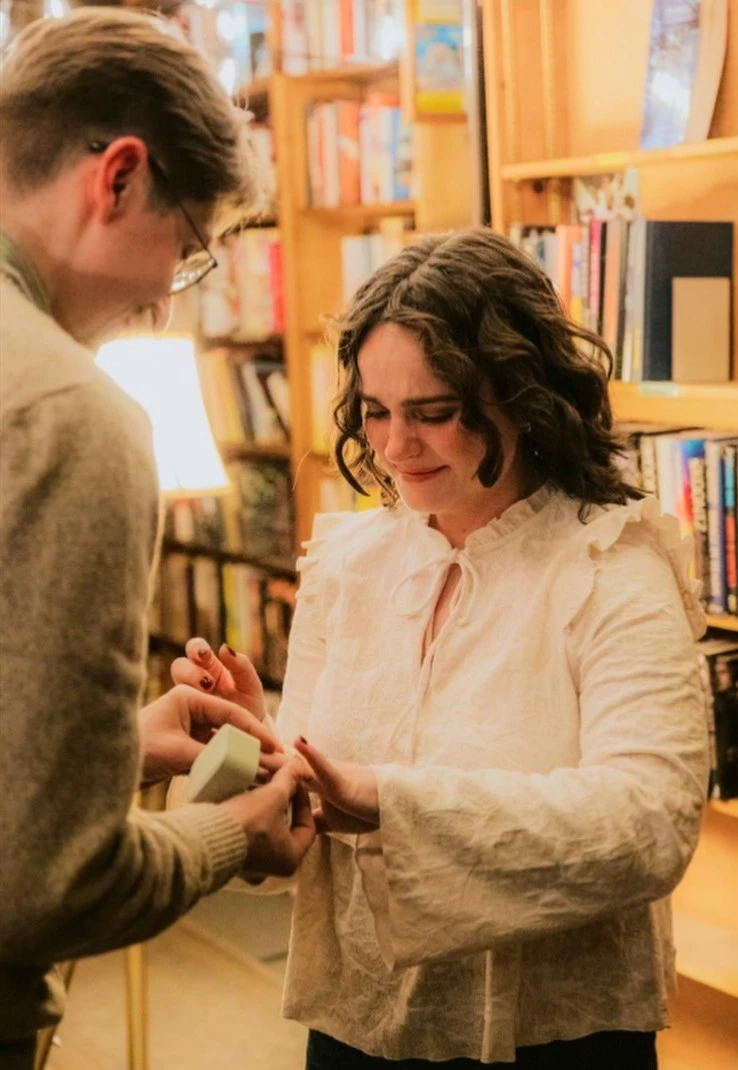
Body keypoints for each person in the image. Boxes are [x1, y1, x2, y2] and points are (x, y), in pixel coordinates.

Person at [176, 229, 709, 1069]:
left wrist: (388, 798)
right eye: (376, 411)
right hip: (356, 1023)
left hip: (554, 1038)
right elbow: (307, 841)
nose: (395, 447)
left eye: (432, 413)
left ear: (524, 397)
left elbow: (650, 823)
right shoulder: (348, 563)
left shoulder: (612, 564)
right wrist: (262, 750)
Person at [0, 10, 314, 1068]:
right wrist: (233, 833)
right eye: (183, 255)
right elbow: (47, 882)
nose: (159, 308)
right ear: (120, 177)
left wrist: (105, 751)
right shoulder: (70, 415)